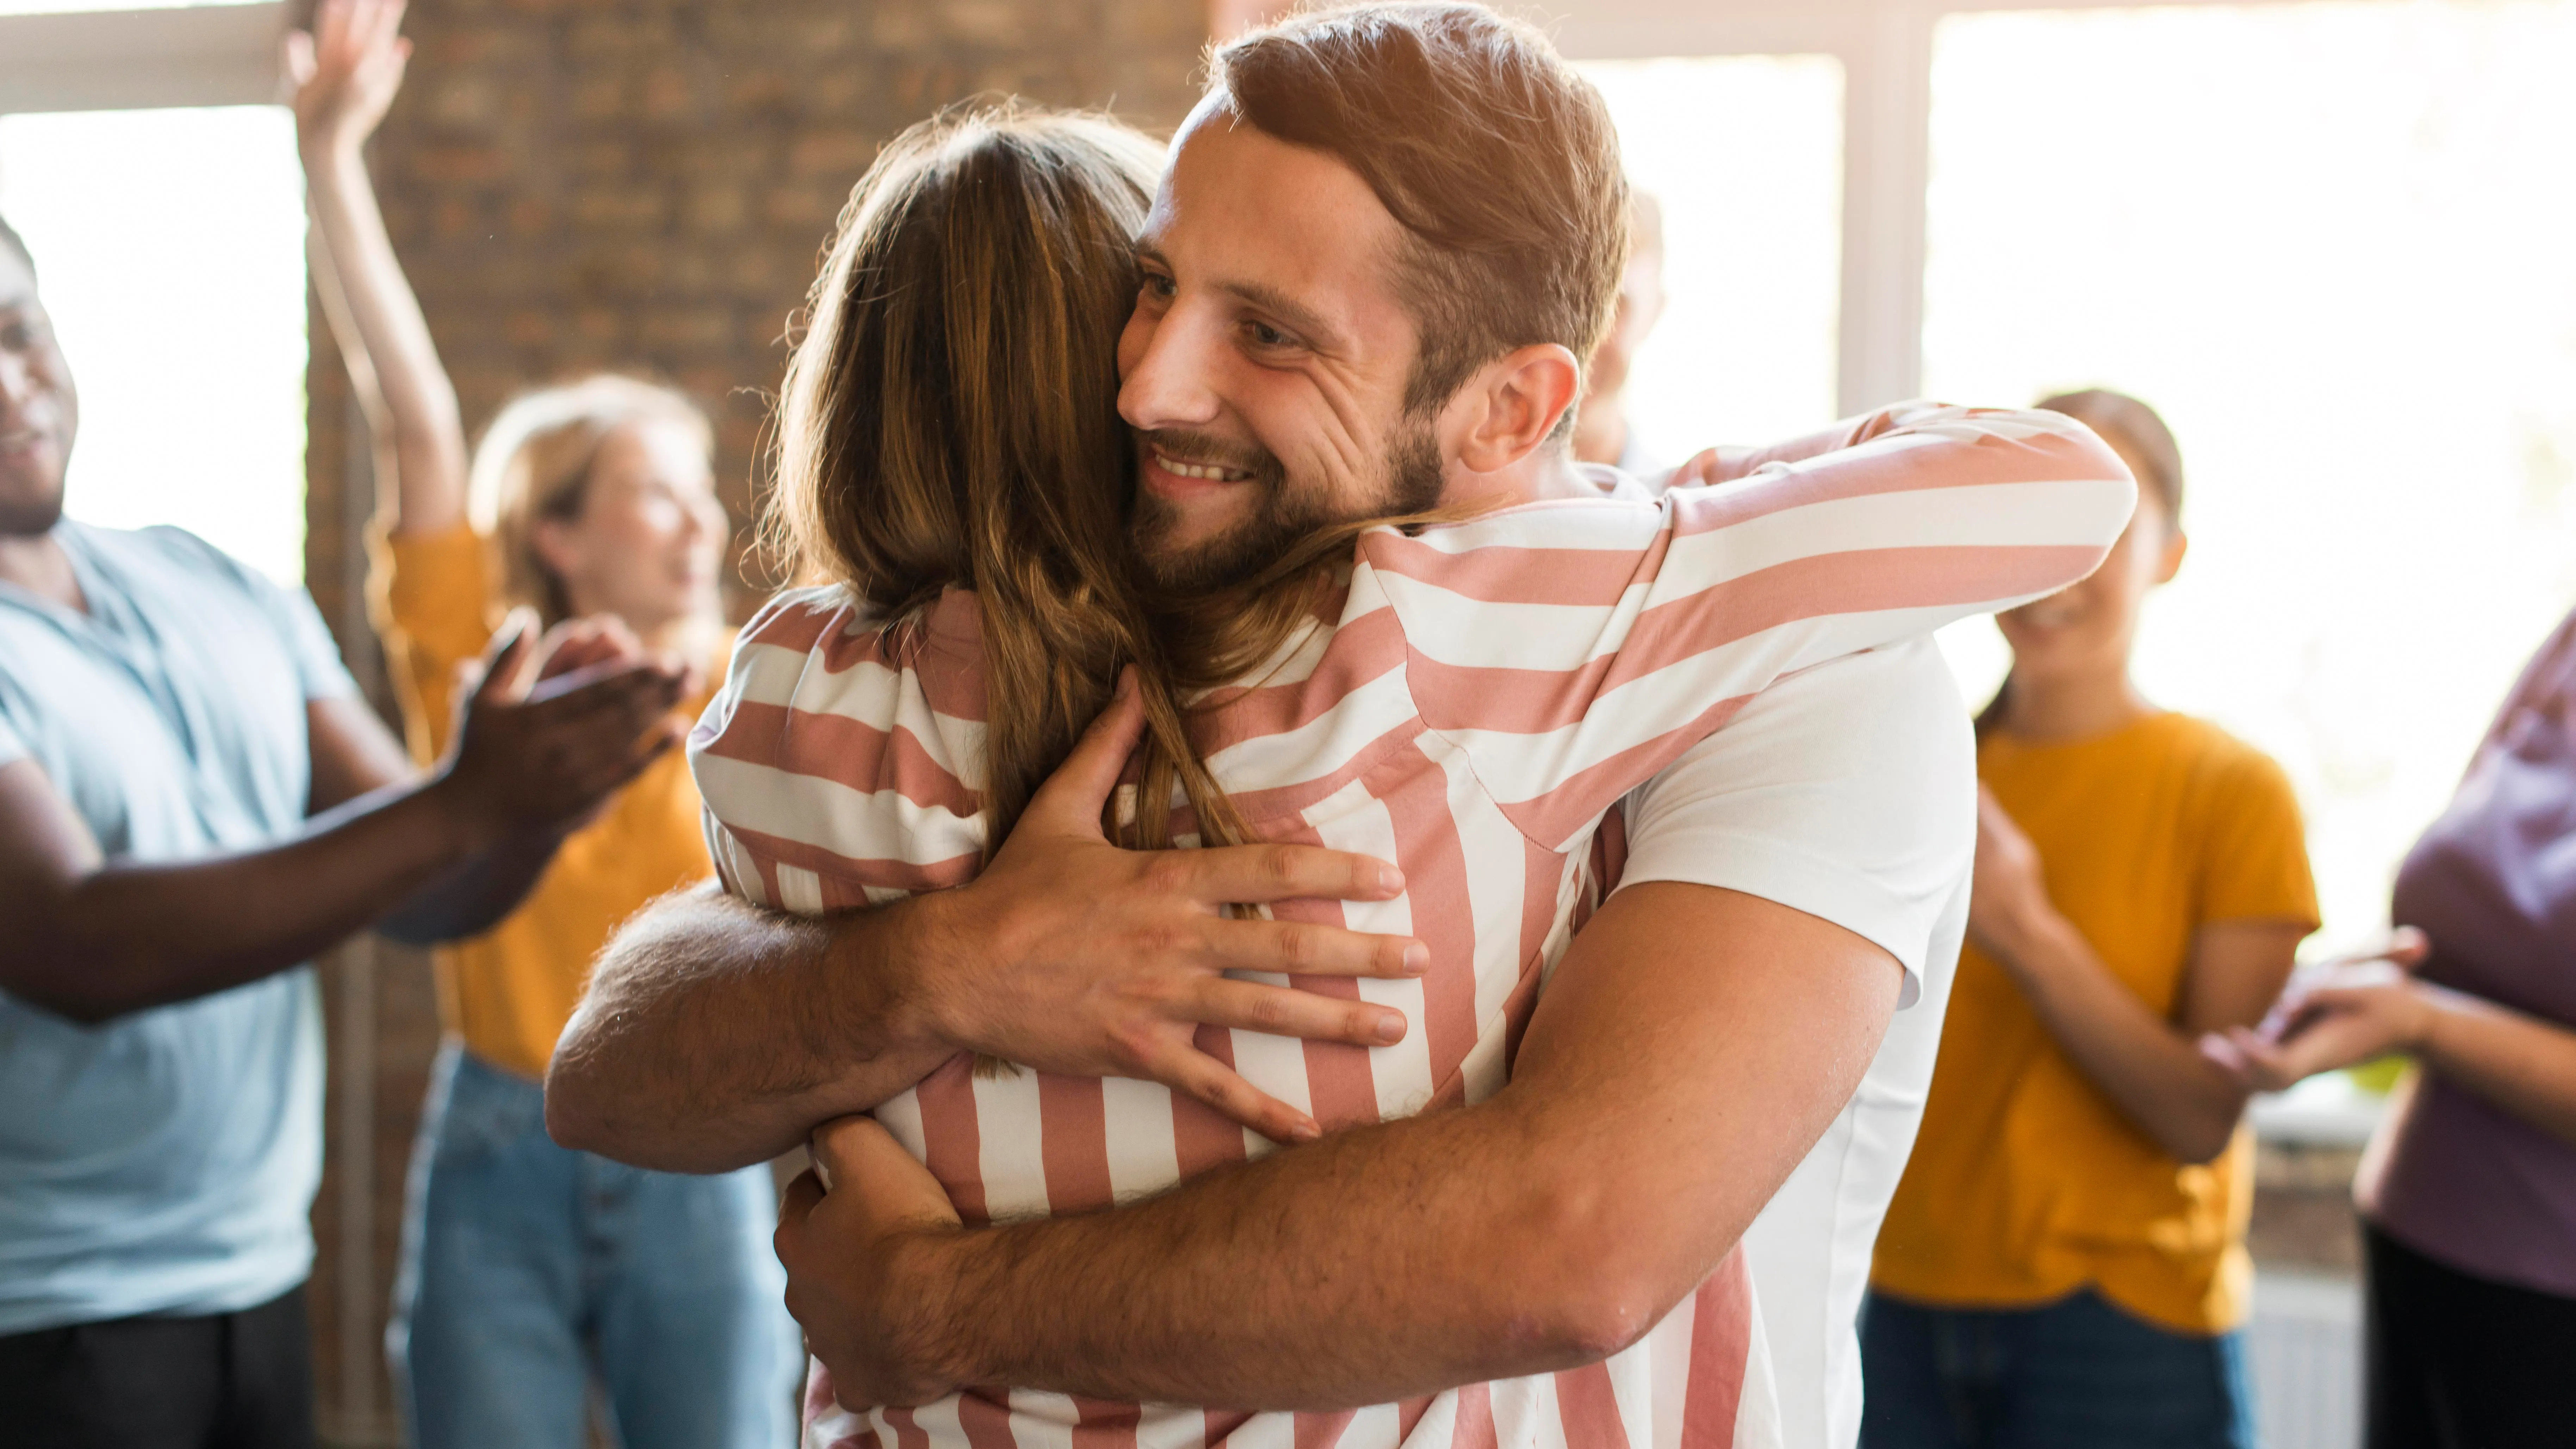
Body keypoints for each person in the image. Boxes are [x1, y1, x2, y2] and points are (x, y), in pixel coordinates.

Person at [552, 9, 2128, 1446]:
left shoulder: (1774, 656)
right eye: (1149, 286)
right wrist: (943, 966)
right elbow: (615, 1060)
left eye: (1272, 333)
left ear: (1513, 403)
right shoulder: (1193, 635)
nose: (1145, 386)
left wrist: (929, 1308)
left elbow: (1573, 1236)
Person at [0, 201, 687, 1445]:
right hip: (44, 1314)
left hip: (258, 1275)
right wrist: (475, 797)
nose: (10, 383)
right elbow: (77, 942)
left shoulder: (217, 584)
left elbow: (430, 880)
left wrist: (538, 794)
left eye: (19, 331)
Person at [287, 3, 800, 1445]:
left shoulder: (762, 677)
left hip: (697, 1130)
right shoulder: (484, 670)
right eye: (651, 487)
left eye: (702, 485)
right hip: (500, 1133)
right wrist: (328, 156)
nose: (699, 515)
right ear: (561, 536)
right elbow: (416, 420)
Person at [1859, 390, 2317, 1449]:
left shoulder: (2232, 794)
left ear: (2169, 552)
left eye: (2104, 526)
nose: (2059, 564)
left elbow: (2197, 1118)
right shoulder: (1914, 767)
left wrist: (2025, 928)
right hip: (1901, 1305)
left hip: (2122, 1333)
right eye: (2030, 518)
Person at [2205, 624, 2576, 1446]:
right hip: (2419, 1236)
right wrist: (2362, 981)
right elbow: (2460, 899)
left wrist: (2421, 1021)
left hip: (2553, 1300)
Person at [1572, 187, 1665, 471]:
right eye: (1570, 302)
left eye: (1613, 307)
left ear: (1653, 314)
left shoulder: (1677, 512)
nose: (1580, 339)